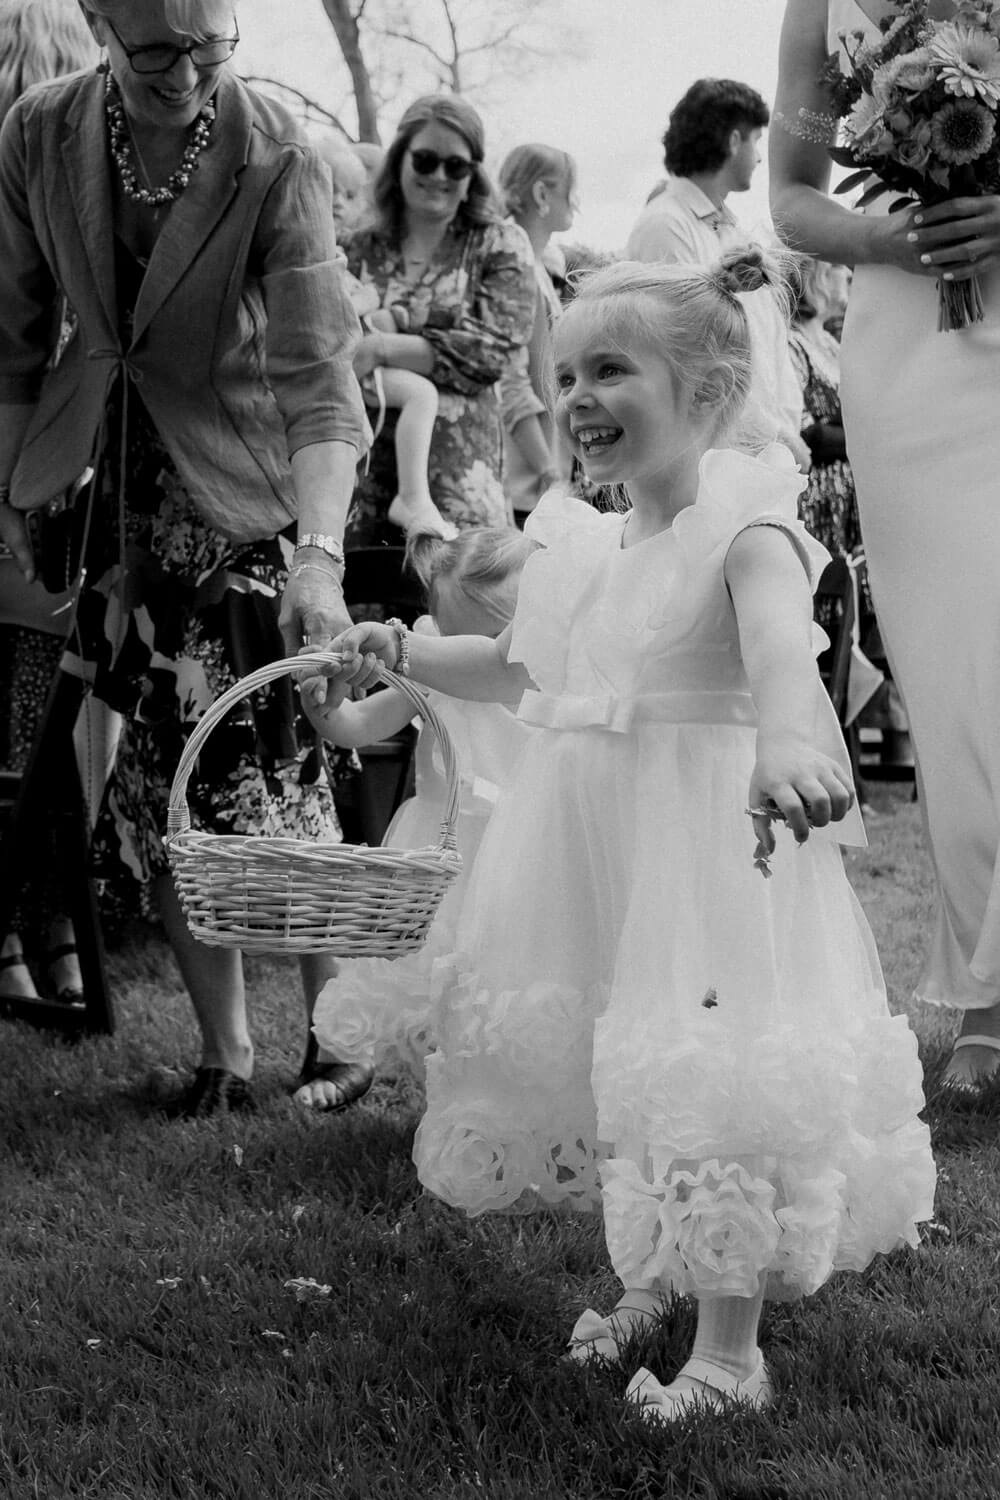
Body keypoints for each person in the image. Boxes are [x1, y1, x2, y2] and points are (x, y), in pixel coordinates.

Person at [310, 250, 935, 1420]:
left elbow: (775, 652)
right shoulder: (580, 546)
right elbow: (507, 667)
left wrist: (792, 742)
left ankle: (730, 1348)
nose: (576, 399)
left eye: (610, 370)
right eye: (564, 375)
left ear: (703, 391)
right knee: (623, 1064)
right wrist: (400, 651)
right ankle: (653, 1274)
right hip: (594, 850)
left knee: (704, 1066)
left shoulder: (745, 527)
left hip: (703, 848)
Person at [0, 0, 372, 1118]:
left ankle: (337, 1037)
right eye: (156, 53)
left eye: (211, 51)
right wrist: (12, 482)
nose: (186, 77)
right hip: (114, 503)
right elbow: (12, 337)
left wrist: (318, 556)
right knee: (158, 787)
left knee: (275, 775)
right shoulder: (36, 132)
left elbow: (320, 385)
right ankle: (226, 1055)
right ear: (99, 28)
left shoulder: (278, 152)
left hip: (250, 501)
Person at [770, 0, 1000, 1088]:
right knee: (952, 678)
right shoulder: (826, 7)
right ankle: (985, 1003)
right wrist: (891, 236)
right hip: (911, 347)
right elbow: (793, 198)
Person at [294, 525, 536, 1108]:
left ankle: (516, 1099)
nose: (463, 658)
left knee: (514, 980)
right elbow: (358, 725)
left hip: (522, 854)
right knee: (444, 981)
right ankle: (456, 1102)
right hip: (440, 855)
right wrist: (326, 712)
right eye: (451, 639)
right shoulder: (428, 659)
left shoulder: (544, 669)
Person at [0, 0, 98, 1006]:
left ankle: (44, 924)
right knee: (39, 714)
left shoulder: (78, 187)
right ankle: (47, 926)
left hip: (52, 469)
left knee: (37, 711)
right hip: (41, 471)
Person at [342, 94, 536, 546]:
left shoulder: (500, 244)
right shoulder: (358, 248)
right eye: (426, 161)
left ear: (474, 175)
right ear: (399, 160)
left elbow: (495, 350)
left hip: (459, 484)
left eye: (457, 166)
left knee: (461, 609)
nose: (440, 177)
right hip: (360, 475)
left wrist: (384, 349)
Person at [625, 78, 810, 468]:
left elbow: (769, 339)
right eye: (756, 141)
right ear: (732, 140)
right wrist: (771, 436)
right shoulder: (665, 226)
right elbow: (691, 352)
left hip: (765, 453)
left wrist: (788, 430)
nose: (760, 157)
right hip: (715, 459)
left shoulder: (733, 230)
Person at [318, 134, 454, 541]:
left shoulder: (341, 247)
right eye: (330, 192)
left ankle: (412, 496)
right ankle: (411, 497)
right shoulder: (317, 247)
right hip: (334, 364)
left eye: (348, 195)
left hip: (349, 360)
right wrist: (368, 303)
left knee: (418, 394)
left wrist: (379, 308)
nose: (339, 203)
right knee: (419, 395)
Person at [497, 144, 578, 523]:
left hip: (540, 474)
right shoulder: (518, 267)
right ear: (542, 194)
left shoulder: (538, 268)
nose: (576, 203)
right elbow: (519, 380)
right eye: (571, 189)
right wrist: (550, 470)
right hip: (528, 479)